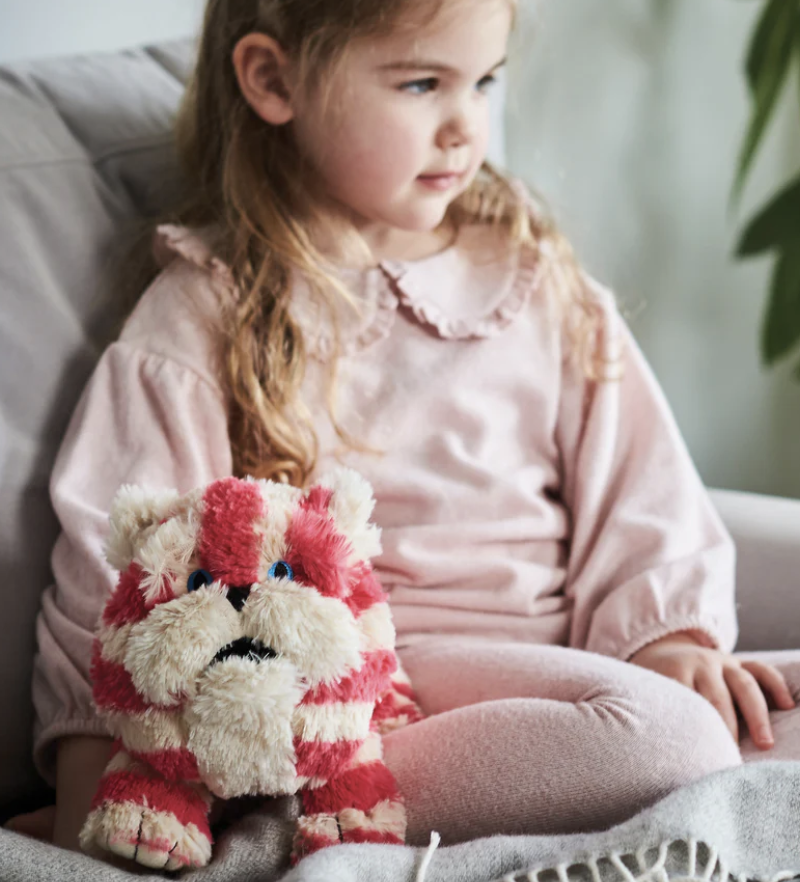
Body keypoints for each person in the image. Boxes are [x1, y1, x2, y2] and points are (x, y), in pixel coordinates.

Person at [7, 0, 800, 861]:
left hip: (557, 679)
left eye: (484, 81)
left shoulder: (531, 275)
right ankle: (296, 818)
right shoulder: (208, 311)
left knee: (746, 716)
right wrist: (96, 798)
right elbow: (118, 568)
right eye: (422, 83)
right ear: (274, 81)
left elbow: (643, 487)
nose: (467, 127)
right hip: (363, 692)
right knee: (671, 742)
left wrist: (671, 640)